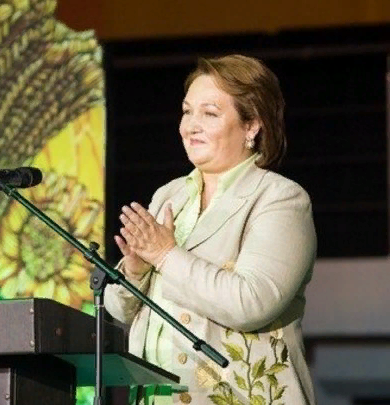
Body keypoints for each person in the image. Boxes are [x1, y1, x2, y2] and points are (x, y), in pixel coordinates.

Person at [105, 55, 316, 405]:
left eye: (210, 114)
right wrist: (135, 272)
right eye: (187, 112)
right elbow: (119, 308)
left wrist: (165, 255)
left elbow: (251, 302)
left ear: (252, 126)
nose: (191, 126)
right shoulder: (169, 195)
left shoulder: (280, 199)